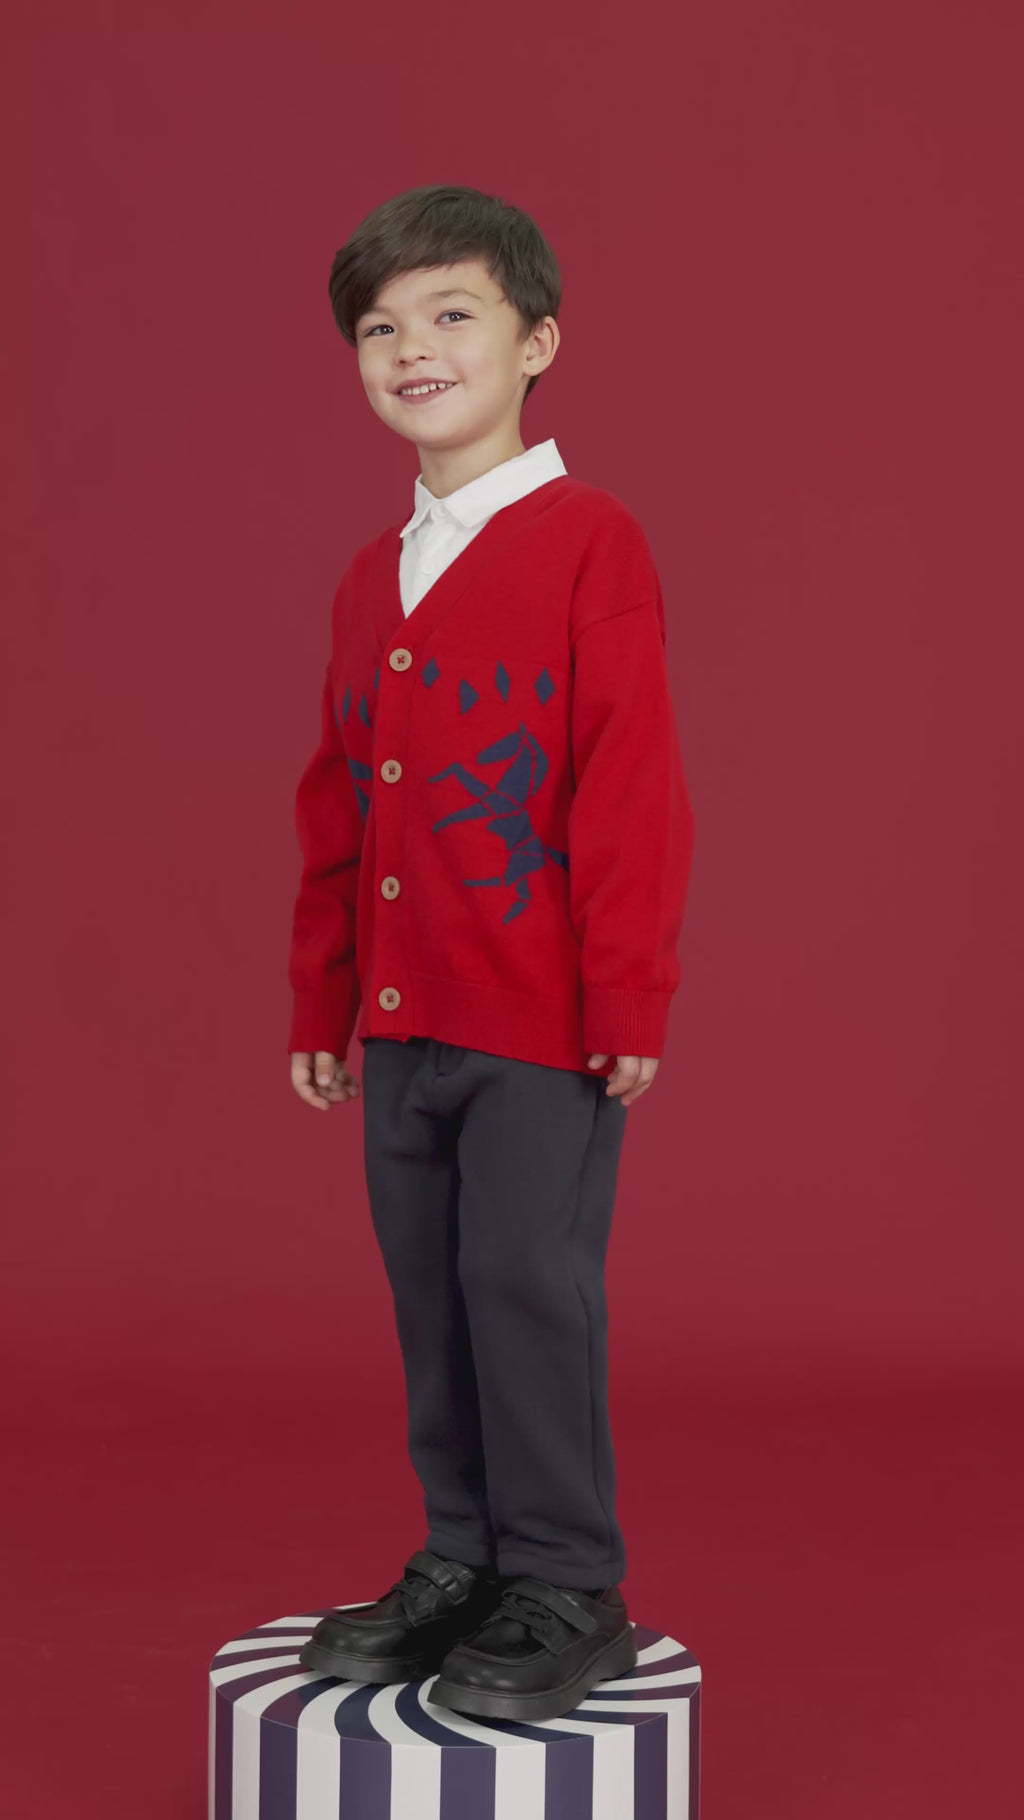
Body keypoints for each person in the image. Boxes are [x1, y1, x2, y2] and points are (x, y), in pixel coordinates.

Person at [286, 183, 696, 1724]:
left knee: (525, 1283)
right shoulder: (369, 577)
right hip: (403, 1027)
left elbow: (630, 778)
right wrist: (324, 996)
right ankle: (463, 1555)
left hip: (540, 1017)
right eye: (380, 327)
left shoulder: (591, 541)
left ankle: (568, 1578)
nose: (412, 348)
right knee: (433, 1292)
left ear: (538, 342)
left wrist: (628, 987)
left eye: (451, 314)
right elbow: (339, 799)